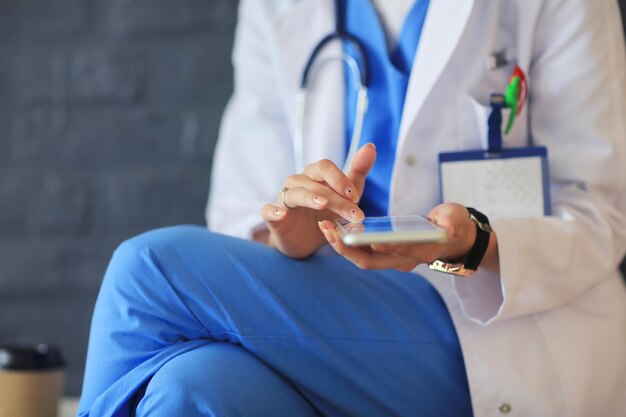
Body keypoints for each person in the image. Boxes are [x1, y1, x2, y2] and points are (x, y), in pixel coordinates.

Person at [78, 0, 626, 416]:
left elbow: (601, 214)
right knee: (192, 388)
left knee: (147, 272)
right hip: (321, 316)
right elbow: (238, 206)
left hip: (492, 330)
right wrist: (288, 233)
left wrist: (472, 244)